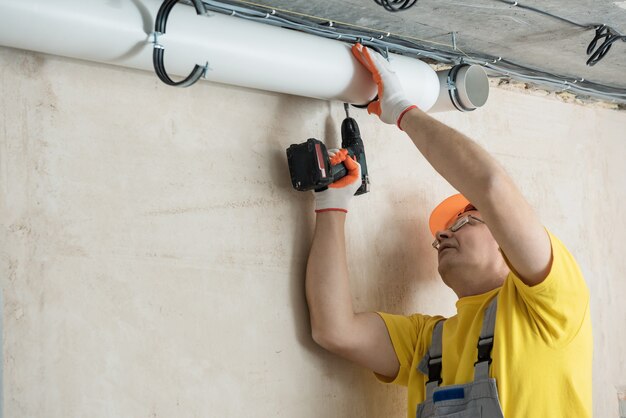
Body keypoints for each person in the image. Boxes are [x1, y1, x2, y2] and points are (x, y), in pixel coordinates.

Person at [305, 43, 592, 417]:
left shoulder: (550, 307)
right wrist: (333, 203)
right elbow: (334, 329)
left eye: (463, 220)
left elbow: (491, 187)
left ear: (505, 240)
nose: (441, 235)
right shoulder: (428, 342)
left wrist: (403, 113)